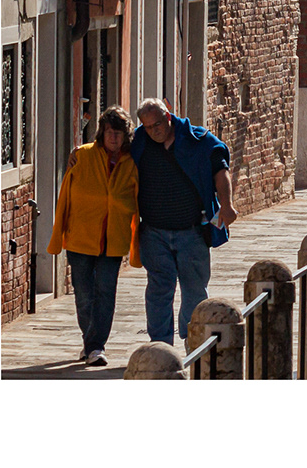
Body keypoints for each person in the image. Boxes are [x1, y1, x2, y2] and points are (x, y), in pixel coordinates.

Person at [130, 97, 236, 348]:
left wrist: (227, 204)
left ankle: (193, 340)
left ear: (168, 117)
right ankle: (160, 346)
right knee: (159, 290)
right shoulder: (139, 142)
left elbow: (221, 170)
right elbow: (108, 147)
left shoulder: (197, 139)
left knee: (195, 289)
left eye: (157, 124)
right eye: (147, 126)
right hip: (154, 231)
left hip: (192, 231)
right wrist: (78, 153)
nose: (154, 131)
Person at [47, 105, 139, 366]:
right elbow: (65, 196)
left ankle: (96, 346)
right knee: (84, 294)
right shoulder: (82, 156)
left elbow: (137, 199)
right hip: (81, 237)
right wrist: (58, 233)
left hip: (113, 239)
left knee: (106, 293)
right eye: (110, 132)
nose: (114, 138)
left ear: (125, 136)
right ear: (102, 133)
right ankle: (90, 342)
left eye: (119, 133)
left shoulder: (131, 163)